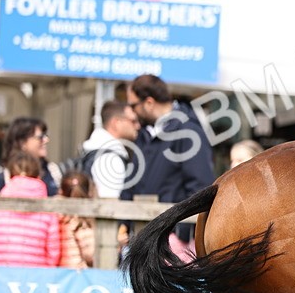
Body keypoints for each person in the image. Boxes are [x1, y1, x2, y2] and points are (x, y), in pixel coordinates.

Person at [121, 74, 215, 261]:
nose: (130, 113)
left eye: (133, 105)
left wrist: (181, 233)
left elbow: (200, 186)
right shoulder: (144, 135)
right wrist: (123, 223)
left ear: (149, 102)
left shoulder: (189, 132)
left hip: (172, 243)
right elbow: (132, 181)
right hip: (142, 238)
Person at [0, 150, 61, 268]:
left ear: (9, 175)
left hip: (0, 271)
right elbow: (54, 250)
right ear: (38, 174)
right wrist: (46, 269)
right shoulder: (48, 212)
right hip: (37, 276)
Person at [81, 100, 140, 200]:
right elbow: (108, 206)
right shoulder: (109, 158)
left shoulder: (101, 149)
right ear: (116, 123)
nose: (138, 126)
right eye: (133, 121)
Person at [0, 117, 61, 196]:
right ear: (22, 143)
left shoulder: (52, 170)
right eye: (40, 137)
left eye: (45, 136)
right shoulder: (5, 175)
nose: (46, 140)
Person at [58, 171, 95, 269]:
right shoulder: (80, 219)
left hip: (55, 271)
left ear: (61, 191)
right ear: (88, 192)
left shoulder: (54, 215)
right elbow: (90, 253)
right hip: (76, 273)